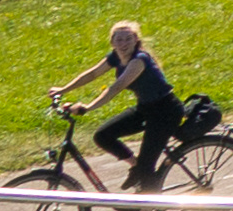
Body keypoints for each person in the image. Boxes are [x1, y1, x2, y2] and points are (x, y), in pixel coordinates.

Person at [52, 19, 188, 189]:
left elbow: (116, 87)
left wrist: (88, 107)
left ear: (136, 41)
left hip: (166, 111)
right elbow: (92, 74)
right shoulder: (116, 57)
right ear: (112, 42)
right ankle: (136, 166)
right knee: (103, 136)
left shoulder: (139, 60)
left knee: (147, 168)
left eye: (128, 39)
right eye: (119, 40)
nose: (123, 44)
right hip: (145, 109)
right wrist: (63, 90)